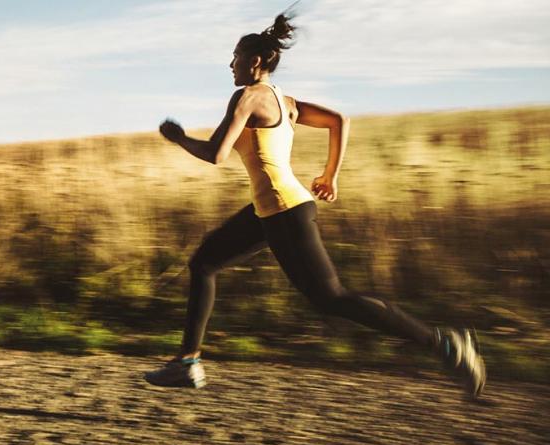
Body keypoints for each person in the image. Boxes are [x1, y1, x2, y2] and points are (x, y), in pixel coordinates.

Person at [144, 12, 486, 399]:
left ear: (255, 62)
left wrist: (178, 138)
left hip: (284, 213)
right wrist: (329, 175)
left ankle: (444, 345)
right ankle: (187, 363)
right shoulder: (284, 102)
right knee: (204, 261)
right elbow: (339, 120)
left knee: (331, 298)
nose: (231, 64)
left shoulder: (248, 97)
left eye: (236, 56)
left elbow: (216, 153)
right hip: (271, 210)